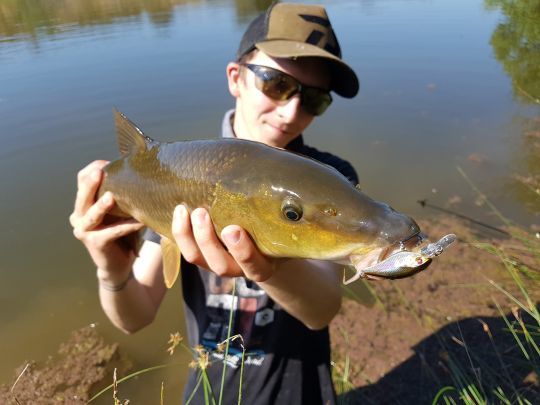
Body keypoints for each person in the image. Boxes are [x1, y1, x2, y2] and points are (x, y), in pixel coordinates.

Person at [70, 2, 359, 404]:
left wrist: (269, 269)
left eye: (314, 99)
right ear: (235, 78)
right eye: (276, 84)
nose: (292, 111)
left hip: (301, 389)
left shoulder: (332, 180)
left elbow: (322, 309)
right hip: (210, 391)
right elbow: (134, 319)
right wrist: (112, 270)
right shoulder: (179, 175)